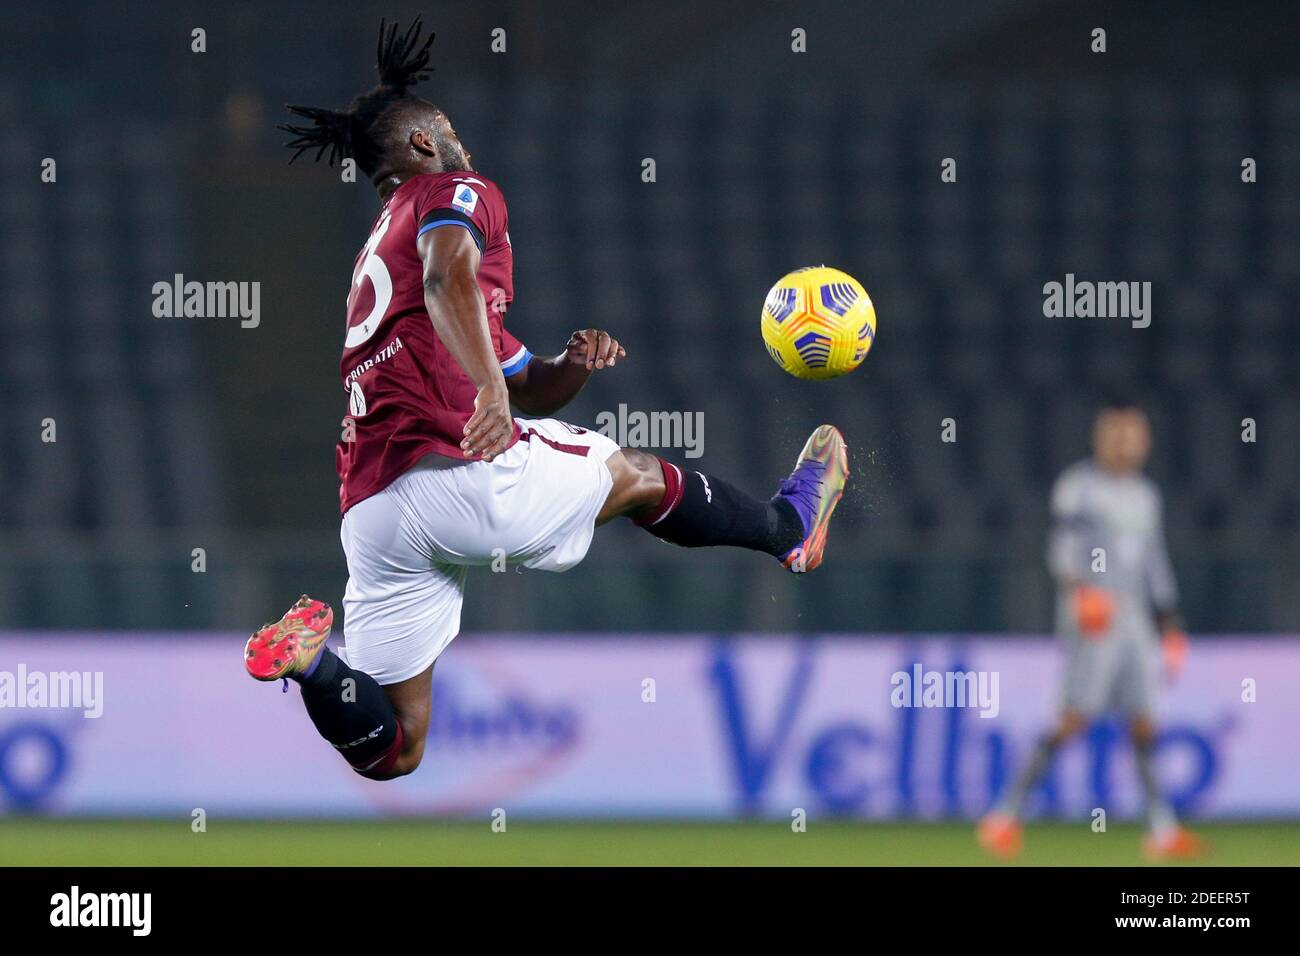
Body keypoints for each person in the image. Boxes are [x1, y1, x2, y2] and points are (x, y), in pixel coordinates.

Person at [241, 19, 849, 781]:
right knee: (630, 472)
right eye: (449, 131)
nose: (461, 143)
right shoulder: (455, 194)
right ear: (424, 146)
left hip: (375, 511)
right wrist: (492, 397)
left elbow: (527, 379)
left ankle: (310, 666)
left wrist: (570, 364)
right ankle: (785, 527)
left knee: (395, 748)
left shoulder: (381, 250)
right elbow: (448, 284)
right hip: (453, 469)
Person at [978, 401, 1198, 859]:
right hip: (1094, 617)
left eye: (1134, 435)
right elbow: (1062, 548)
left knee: (1144, 722)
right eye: (1118, 434)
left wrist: (1170, 624)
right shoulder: (1079, 488)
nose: (1126, 443)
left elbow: (1155, 564)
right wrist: (1081, 592)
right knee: (1072, 718)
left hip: (1136, 620)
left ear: (1145, 441)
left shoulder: (1146, 495)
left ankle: (1161, 830)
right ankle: (1004, 815)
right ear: (1101, 438)